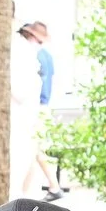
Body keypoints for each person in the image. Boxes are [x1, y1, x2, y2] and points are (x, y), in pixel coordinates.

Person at [13, 22, 63, 200]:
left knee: (32, 148)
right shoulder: (43, 55)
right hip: (40, 106)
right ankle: (34, 190)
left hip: (34, 108)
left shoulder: (34, 56)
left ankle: (51, 186)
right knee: (34, 149)